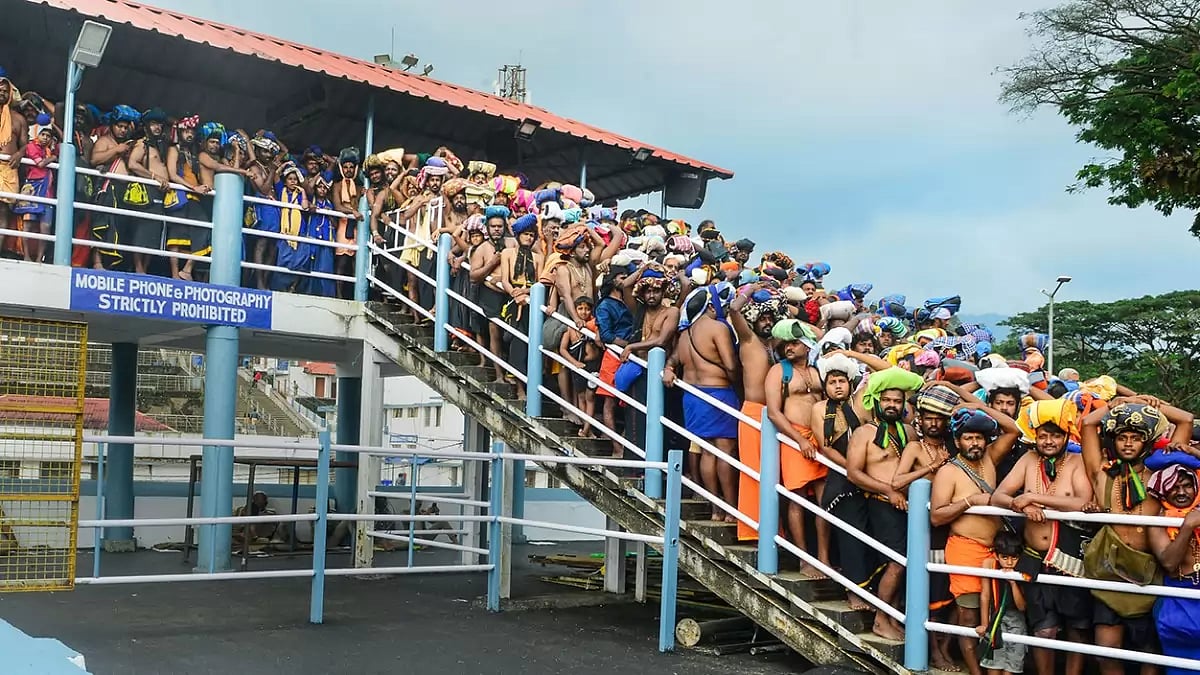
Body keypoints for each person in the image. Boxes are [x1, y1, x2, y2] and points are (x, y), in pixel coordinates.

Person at [1081, 397, 1193, 675]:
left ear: (1146, 441)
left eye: (1135, 437)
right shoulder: (1102, 474)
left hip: (1150, 574)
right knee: (1106, 653)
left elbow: (1186, 420)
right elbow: (1087, 423)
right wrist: (1121, 403)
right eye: (1122, 437)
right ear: (1113, 441)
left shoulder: (1162, 473)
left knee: (1150, 654)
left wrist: (1151, 406)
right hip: (1109, 575)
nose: (1128, 443)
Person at [991, 399, 1094, 675]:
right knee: (1043, 631)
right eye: (1043, 435)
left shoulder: (1077, 461)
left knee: (1077, 629)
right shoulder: (1027, 460)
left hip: (1070, 558)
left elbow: (1082, 501)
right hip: (1036, 558)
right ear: (1035, 436)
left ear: (1065, 437)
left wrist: (1033, 497)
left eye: (1055, 435)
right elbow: (999, 495)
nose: (1048, 441)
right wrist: (1020, 504)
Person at [931, 404, 1022, 675]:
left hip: (994, 551)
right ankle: (975, 671)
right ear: (958, 441)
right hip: (965, 548)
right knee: (970, 614)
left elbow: (1013, 429)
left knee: (992, 613)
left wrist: (978, 406)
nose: (974, 442)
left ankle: (975, 661)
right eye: (968, 437)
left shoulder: (989, 460)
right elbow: (936, 516)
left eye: (979, 437)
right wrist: (970, 501)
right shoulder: (949, 471)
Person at [846, 366, 924, 639]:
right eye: (888, 400)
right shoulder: (864, 433)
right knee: (896, 562)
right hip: (880, 503)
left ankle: (891, 616)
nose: (892, 405)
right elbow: (854, 473)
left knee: (908, 562)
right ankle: (880, 619)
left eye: (898, 401)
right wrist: (889, 491)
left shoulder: (909, 433)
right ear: (877, 401)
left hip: (908, 508)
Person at [666, 284, 740, 522]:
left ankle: (715, 509)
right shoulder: (718, 328)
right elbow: (730, 365)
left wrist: (668, 368)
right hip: (718, 393)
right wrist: (739, 387)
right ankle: (730, 508)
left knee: (707, 452)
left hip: (692, 397)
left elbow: (673, 360)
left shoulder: (684, 334)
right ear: (711, 306)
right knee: (725, 452)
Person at [763, 318, 830, 576]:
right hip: (795, 438)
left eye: (793, 343)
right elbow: (774, 413)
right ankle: (804, 560)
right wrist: (799, 440)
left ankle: (823, 558)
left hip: (820, 439)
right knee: (797, 499)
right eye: (784, 344)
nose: (788, 348)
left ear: (806, 344)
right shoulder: (779, 371)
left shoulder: (818, 370)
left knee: (825, 502)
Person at [731, 286, 785, 543]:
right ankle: (750, 530)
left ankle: (773, 528)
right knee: (753, 472)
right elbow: (733, 308)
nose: (767, 323)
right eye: (763, 318)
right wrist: (753, 287)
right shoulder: (749, 339)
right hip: (753, 412)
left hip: (774, 415)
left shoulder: (774, 345)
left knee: (773, 473)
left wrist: (779, 296)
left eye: (770, 319)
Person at [1147, 461, 1200, 675]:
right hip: (1178, 598)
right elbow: (1169, 563)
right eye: (1174, 487)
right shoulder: (1158, 521)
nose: (1181, 492)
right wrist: (1188, 525)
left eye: (1187, 485)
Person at [88, 105, 143, 270]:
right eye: (120, 126)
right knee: (101, 225)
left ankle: (113, 265)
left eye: (126, 127)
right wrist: (116, 150)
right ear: (112, 125)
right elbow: (94, 160)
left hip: (123, 191)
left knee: (118, 228)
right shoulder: (104, 141)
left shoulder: (128, 143)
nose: (123, 130)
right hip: (106, 188)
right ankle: (97, 263)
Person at [498, 214, 542, 398]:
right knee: (518, 340)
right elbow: (505, 280)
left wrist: (526, 293)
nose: (529, 238)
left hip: (533, 299)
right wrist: (515, 293)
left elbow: (540, 284)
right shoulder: (507, 253)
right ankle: (520, 388)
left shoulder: (539, 258)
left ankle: (530, 386)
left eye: (532, 235)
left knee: (532, 342)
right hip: (513, 299)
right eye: (526, 234)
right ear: (518, 235)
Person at [593, 265, 635, 455]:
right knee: (609, 403)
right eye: (621, 277)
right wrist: (627, 344)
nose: (624, 279)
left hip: (630, 356)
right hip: (613, 355)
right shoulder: (605, 305)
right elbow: (607, 335)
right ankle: (617, 448)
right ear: (612, 281)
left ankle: (626, 444)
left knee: (630, 403)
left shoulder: (629, 301)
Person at [125, 108, 172, 274]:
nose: (157, 127)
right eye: (153, 124)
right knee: (142, 229)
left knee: (153, 231)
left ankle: (144, 268)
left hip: (160, 193)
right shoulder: (142, 143)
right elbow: (132, 164)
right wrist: (154, 177)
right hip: (146, 190)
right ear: (146, 126)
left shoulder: (159, 145)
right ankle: (138, 268)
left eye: (159, 124)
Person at [976, 530, 1029, 675]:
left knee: (1011, 668)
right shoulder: (989, 564)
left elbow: (1022, 607)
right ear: (996, 555)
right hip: (995, 621)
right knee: (993, 667)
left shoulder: (1023, 567)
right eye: (1004, 557)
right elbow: (985, 595)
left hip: (1017, 622)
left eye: (1014, 558)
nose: (1010, 562)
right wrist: (985, 625)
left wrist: (1013, 583)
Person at [164, 114, 209, 280]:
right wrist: (194, 187)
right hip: (179, 195)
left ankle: (187, 269)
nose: (190, 134)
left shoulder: (193, 152)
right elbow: (172, 174)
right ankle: (176, 274)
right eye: (186, 131)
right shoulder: (173, 148)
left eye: (192, 131)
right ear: (180, 132)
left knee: (204, 229)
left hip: (194, 197)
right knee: (177, 236)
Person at [15, 113, 56, 263]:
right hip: (32, 187)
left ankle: (39, 258)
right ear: (36, 133)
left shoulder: (50, 149)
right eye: (43, 134)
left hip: (47, 191)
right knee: (28, 224)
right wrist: (52, 158)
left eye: (48, 135)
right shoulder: (31, 146)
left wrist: (51, 154)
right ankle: (26, 256)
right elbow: (40, 164)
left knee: (46, 226)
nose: (45, 137)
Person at [560, 296, 602, 437]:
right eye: (580, 308)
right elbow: (562, 349)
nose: (584, 312)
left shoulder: (595, 324)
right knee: (582, 397)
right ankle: (587, 429)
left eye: (587, 309)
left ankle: (586, 429)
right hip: (579, 366)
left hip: (593, 365)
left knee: (591, 397)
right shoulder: (570, 327)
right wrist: (574, 363)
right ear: (575, 310)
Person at [0, 70, 30, 256]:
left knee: (2, 212)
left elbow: (26, 144)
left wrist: (20, 153)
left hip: (8, 168)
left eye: (5, 91)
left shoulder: (18, 119)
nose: (2, 93)